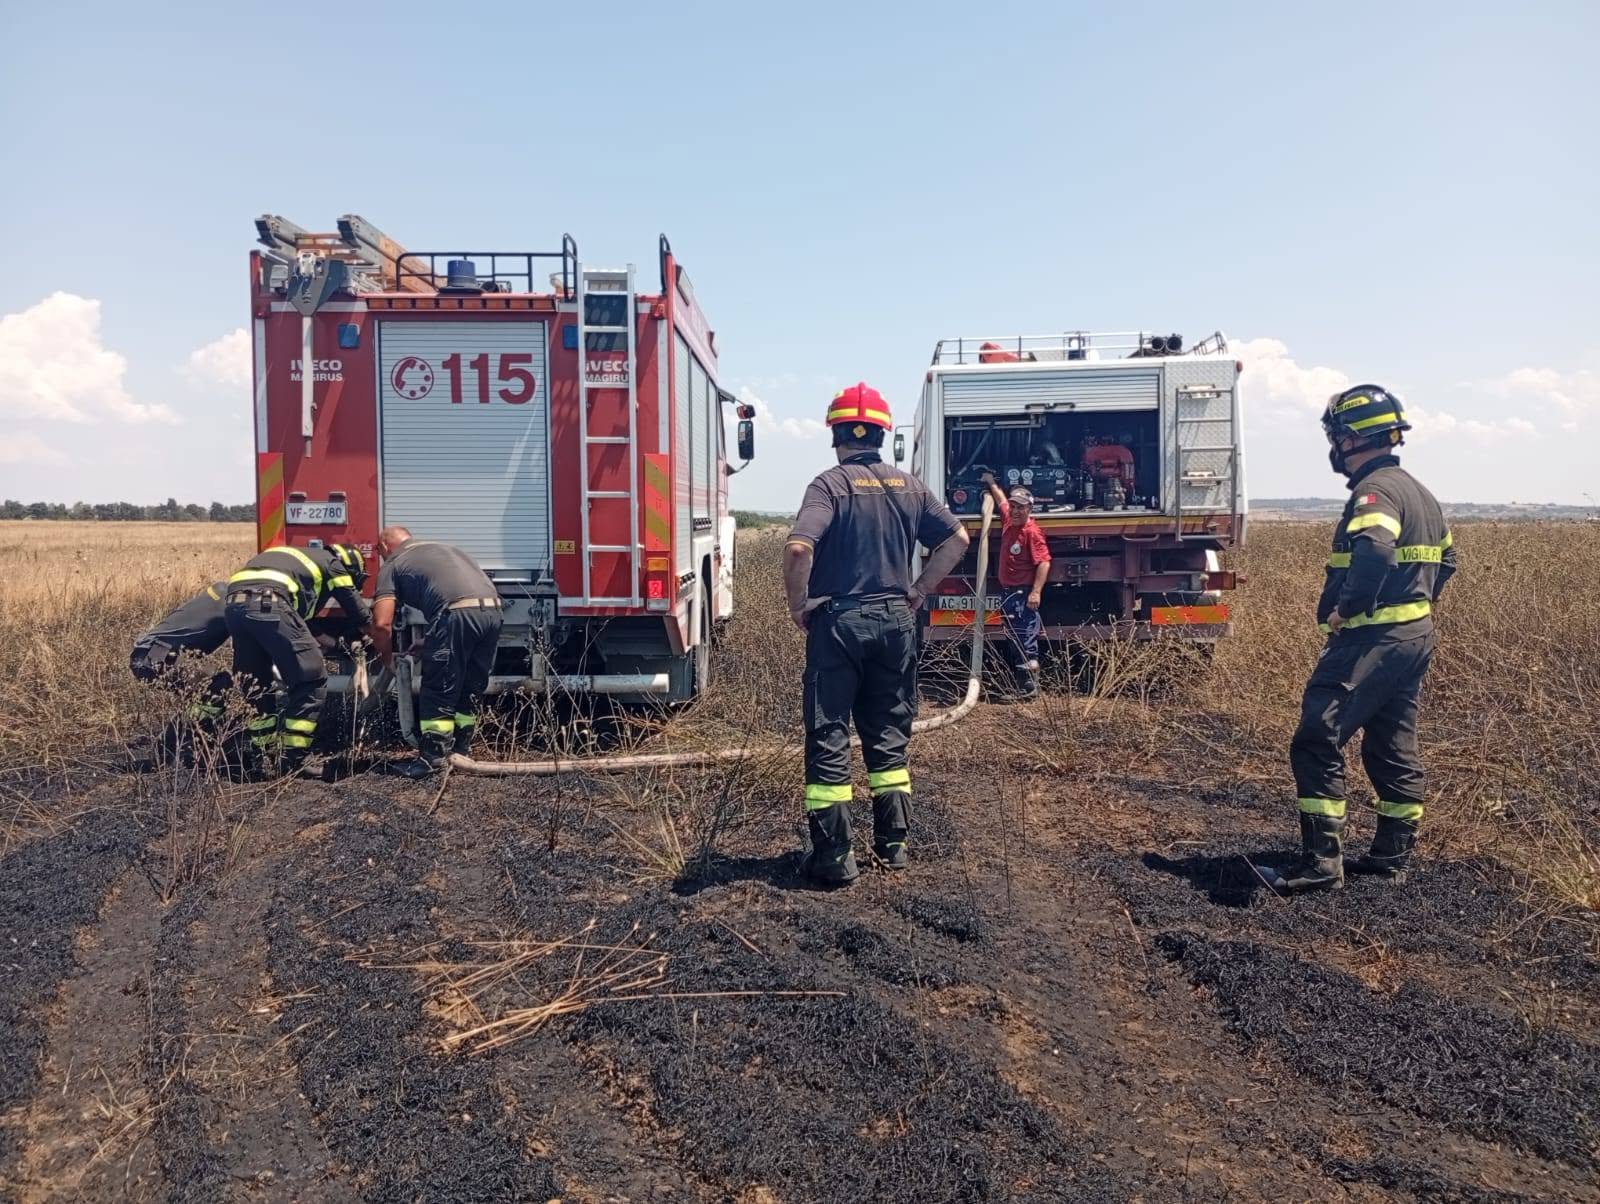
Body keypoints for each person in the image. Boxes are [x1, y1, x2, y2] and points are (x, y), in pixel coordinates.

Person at [1260, 384, 1456, 894]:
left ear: (1349, 439)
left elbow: (1375, 551)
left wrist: (1348, 609)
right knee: (1391, 742)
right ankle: (1391, 859)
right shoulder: (1420, 493)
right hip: (1413, 637)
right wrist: (1414, 604)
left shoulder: (1376, 493)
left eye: (1335, 437)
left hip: (1371, 640)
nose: (1334, 447)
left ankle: (1321, 865)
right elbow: (1448, 560)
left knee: (1317, 735)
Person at [784, 383, 970, 885]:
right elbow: (958, 538)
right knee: (889, 737)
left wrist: (798, 605)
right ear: (883, 435)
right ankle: (893, 846)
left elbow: (799, 548)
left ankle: (834, 858)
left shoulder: (829, 485)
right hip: (896, 622)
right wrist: (920, 589)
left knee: (829, 735)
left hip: (839, 625)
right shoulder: (910, 486)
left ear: (836, 434)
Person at [224, 542, 370, 777]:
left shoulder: (296, 560)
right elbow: (359, 612)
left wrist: (337, 645)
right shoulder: (333, 564)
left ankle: (262, 758)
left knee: (256, 685)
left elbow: (306, 624)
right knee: (311, 678)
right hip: (270, 605)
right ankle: (294, 760)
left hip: (234, 608)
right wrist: (376, 637)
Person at [369, 527, 503, 777]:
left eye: (378, 550)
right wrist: (430, 640)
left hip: (457, 614)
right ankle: (461, 752)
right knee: (468, 687)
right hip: (492, 613)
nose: (380, 555)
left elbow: (381, 624)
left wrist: (386, 660)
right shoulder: (445, 549)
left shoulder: (393, 563)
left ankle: (432, 760)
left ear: (385, 546)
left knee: (439, 686)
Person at [981, 473, 1051, 699]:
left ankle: (1029, 688)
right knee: (1014, 638)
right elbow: (1001, 500)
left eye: (1020, 507)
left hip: (1022, 595)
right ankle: (1023, 686)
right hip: (1009, 594)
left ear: (1030, 509)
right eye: (1013, 506)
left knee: (1025, 638)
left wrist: (1036, 592)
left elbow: (1043, 562)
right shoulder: (1009, 522)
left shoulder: (1031, 532)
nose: (1015, 510)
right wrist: (990, 482)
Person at [130, 580, 233, 724]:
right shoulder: (233, 604)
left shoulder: (222, 590)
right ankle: (189, 733)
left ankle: (193, 727)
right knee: (217, 685)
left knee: (210, 684)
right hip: (155, 657)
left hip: (149, 654)